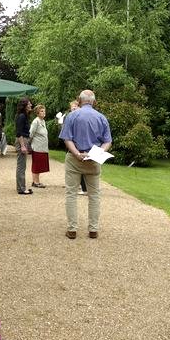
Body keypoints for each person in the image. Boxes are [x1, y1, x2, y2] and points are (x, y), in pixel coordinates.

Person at [59, 90, 112, 239]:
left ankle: (72, 229)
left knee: (71, 194)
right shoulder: (101, 117)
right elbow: (108, 141)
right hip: (94, 160)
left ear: (79, 100)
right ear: (94, 102)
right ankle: (93, 229)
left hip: (74, 159)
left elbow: (67, 138)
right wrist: (99, 152)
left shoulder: (72, 116)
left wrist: (76, 153)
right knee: (94, 195)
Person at [15, 97, 33, 195]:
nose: (31, 105)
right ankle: (21, 189)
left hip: (24, 140)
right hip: (22, 141)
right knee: (21, 166)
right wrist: (22, 145)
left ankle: (21, 187)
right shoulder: (21, 116)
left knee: (22, 165)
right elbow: (19, 133)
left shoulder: (23, 116)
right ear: (24, 106)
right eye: (29, 104)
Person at [29, 104, 50, 188]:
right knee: (36, 165)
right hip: (37, 147)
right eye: (42, 111)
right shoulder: (35, 121)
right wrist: (30, 145)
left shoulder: (43, 121)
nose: (44, 112)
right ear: (37, 113)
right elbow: (31, 134)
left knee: (40, 165)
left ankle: (37, 181)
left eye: (44, 111)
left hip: (43, 147)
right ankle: (35, 182)